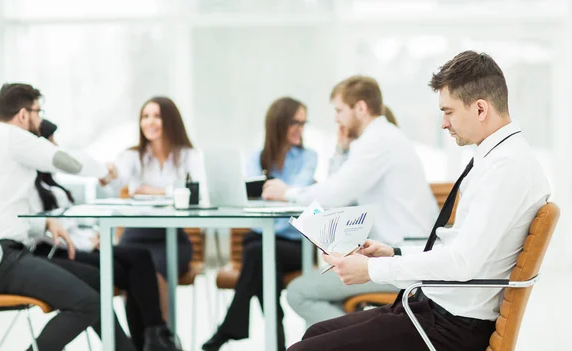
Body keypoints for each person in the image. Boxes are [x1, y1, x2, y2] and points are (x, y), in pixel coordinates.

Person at [287, 51, 551, 351]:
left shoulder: (507, 169)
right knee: (315, 334)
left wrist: (372, 270)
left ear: (480, 109)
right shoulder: (498, 159)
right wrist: (392, 252)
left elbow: (461, 263)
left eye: (448, 112)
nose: (443, 123)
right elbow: (460, 250)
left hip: (449, 326)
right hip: (436, 308)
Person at [260, 77, 437, 327]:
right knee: (324, 292)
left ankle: (362, 342)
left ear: (361, 109)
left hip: (397, 261)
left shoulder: (376, 142)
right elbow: (338, 198)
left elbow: (333, 195)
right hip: (398, 254)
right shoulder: (384, 137)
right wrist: (342, 151)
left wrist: (287, 192)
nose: (336, 119)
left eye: (339, 110)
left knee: (299, 293)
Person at [0, 83, 133, 351]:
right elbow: (64, 160)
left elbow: (1, 208)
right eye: (38, 112)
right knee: (88, 304)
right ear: (23, 114)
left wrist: (45, 222)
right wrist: (102, 170)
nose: (40, 121)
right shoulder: (12, 137)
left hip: (1, 254)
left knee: (94, 280)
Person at [29, 119, 181, 351]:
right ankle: (141, 344)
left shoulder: (52, 183)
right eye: (51, 141)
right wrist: (87, 243)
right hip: (58, 251)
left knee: (139, 257)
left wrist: (90, 237)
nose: (56, 146)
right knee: (127, 271)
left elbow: (69, 225)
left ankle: (153, 337)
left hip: (77, 245)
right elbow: (49, 233)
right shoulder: (31, 187)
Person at [202, 97, 318, 351]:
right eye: (294, 122)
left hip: (294, 243)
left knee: (258, 253)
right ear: (278, 124)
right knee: (265, 265)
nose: (300, 128)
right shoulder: (257, 157)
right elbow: (259, 191)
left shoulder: (309, 157)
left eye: (303, 123)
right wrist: (281, 191)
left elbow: (297, 187)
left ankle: (229, 329)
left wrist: (282, 190)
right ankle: (275, 340)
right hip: (260, 239)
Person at [99, 96, 207, 318]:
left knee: (153, 275)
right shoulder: (132, 156)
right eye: (145, 116)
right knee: (130, 277)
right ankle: (142, 343)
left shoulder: (189, 156)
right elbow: (117, 176)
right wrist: (107, 174)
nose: (150, 122)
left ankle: (161, 339)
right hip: (134, 237)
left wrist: (156, 191)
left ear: (170, 120)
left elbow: (199, 194)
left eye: (156, 116)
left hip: (171, 239)